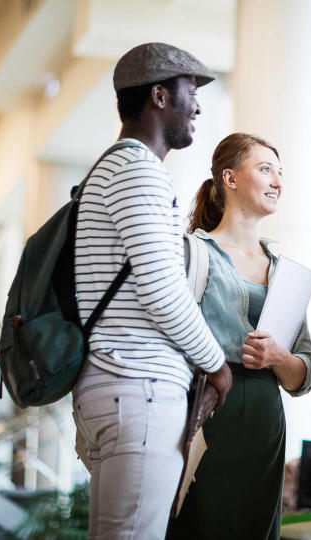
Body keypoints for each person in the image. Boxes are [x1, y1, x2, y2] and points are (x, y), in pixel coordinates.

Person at [71, 42, 233, 540]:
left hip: (113, 386)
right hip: (137, 389)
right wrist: (216, 364)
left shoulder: (111, 170)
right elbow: (163, 292)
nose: (198, 106)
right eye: (191, 92)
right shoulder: (137, 170)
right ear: (159, 97)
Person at [166, 133, 311, 540]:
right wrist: (172, 439)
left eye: (280, 173)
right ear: (230, 179)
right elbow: (165, 347)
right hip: (206, 415)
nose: (277, 182)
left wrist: (278, 358)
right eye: (265, 169)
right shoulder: (190, 253)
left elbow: (304, 373)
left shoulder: (286, 271)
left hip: (266, 423)